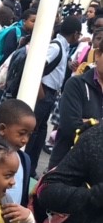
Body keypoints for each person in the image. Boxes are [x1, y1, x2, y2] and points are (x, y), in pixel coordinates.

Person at [25, 15, 82, 178]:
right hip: (45, 93)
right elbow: (38, 65)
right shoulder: (56, 47)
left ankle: (31, 168)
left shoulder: (62, 48)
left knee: (39, 133)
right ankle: (26, 166)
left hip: (50, 95)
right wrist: (41, 93)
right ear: (76, 34)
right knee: (33, 133)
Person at [49, 35, 103, 169]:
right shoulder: (76, 84)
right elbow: (71, 127)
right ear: (97, 55)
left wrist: (90, 123)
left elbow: (82, 127)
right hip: (66, 165)